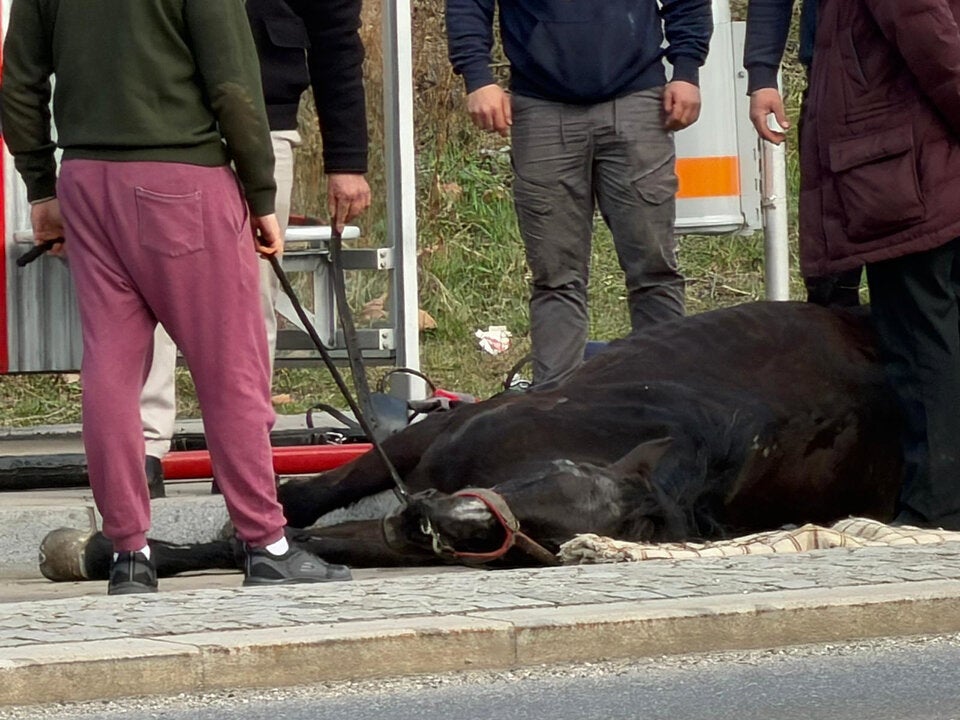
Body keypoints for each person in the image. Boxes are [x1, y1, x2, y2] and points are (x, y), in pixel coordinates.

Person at [1, 0, 353, 593]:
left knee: (111, 368)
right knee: (230, 366)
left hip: (86, 180)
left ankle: (128, 553)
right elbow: (235, 86)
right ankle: (266, 542)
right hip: (183, 178)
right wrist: (262, 194)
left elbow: (19, 83)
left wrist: (42, 184)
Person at [141, 0, 371, 499]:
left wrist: (347, 157)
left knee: (246, 298)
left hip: (265, 113)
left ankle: (240, 452)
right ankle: (143, 452)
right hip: (155, 118)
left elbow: (336, 38)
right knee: (148, 291)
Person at [445, 0, 713, 387]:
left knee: (653, 269)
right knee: (555, 277)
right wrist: (478, 77)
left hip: (638, 102)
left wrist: (687, 70)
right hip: (540, 107)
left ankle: (667, 404)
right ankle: (556, 413)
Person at [798, 0, 960, 530]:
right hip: (906, 174)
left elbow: (934, 44)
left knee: (923, 348)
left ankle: (937, 511)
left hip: (910, 177)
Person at [742, 0, 863, 308]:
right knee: (833, 268)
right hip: (835, 83)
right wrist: (763, 74)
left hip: (923, 78)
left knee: (923, 271)